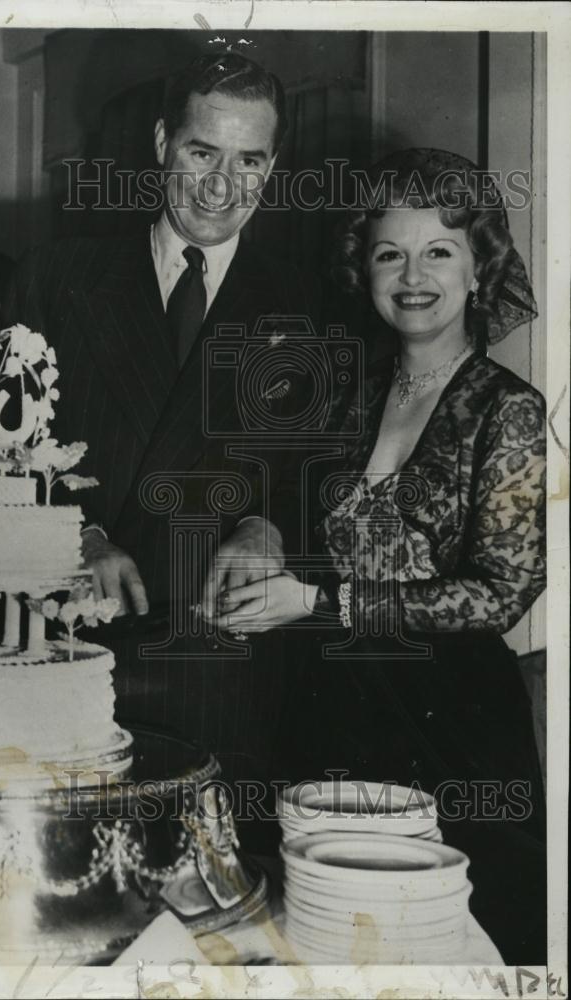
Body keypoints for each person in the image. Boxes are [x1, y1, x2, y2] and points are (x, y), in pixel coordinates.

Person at [209, 148, 547, 963]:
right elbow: (288, 501)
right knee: (323, 942)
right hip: (328, 708)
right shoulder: (353, 391)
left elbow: (499, 597)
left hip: (453, 731)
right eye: (390, 253)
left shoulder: (512, 412)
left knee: (448, 950)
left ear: (479, 270)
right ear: (365, 271)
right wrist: (261, 535)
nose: (412, 275)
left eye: (440, 251)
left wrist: (322, 604)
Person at [6, 51, 321, 841]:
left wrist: (268, 526)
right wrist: (74, 533)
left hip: (222, 678)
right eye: (201, 152)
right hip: (62, 653)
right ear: (159, 143)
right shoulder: (56, 278)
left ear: (273, 165)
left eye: (249, 160)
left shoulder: (309, 304)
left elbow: (327, 474)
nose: (222, 185)